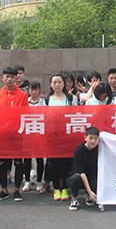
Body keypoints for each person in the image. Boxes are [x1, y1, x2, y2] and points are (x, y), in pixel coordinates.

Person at [0, 66, 29, 201]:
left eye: (12, 77)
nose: (9, 79)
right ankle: (4, 190)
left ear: (16, 78)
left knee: (18, 162)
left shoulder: (22, 95)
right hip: (1, 135)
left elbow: (25, 115)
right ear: (2, 78)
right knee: (2, 163)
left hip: (17, 135)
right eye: (7, 77)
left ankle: (17, 190)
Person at [45, 73, 78, 201]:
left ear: (64, 84)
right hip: (53, 136)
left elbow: (76, 115)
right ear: (51, 85)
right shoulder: (47, 100)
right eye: (54, 82)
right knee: (54, 163)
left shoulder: (70, 99)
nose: (57, 85)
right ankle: (56, 188)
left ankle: (65, 187)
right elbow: (44, 118)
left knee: (66, 163)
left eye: (59, 82)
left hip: (67, 136)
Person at [67, 126, 103, 211]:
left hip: (91, 177)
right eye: (90, 138)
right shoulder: (79, 150)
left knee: (98, 180)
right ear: (85, 138)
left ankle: (88, 194)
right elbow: (81, 172)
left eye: (95, 138)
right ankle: (74, 199)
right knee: (75, 179)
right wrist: (90, 191)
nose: (93, 141)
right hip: (79, 176)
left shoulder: (99, 149)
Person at [28, 80, 49, 193]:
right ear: (28, 90)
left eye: (36, 89)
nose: (34, 91)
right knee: (27, 158)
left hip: (39, 134)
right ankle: (27, 181)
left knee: (39, 159)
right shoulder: (25, 102)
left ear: (39, 90)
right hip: (28, 133)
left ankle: (39, 181)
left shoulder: (43, 102)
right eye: (32, 89)